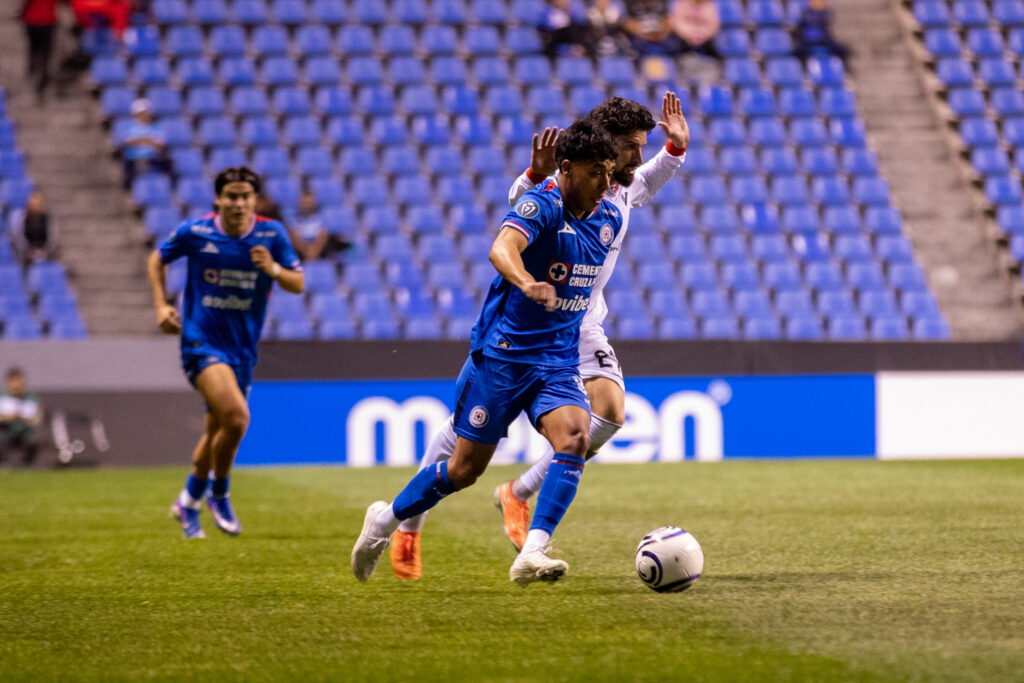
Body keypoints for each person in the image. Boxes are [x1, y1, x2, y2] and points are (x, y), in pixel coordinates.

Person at [390, 93, 690, 580]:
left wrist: (674, 151)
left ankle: (519, 492)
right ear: (603, 152)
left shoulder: (617, 189)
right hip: (530, 321)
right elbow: (520, 205)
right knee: (462, 440)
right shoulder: (569, 180)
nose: (638, 158)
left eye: (643, 147)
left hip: (580, 322)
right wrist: (533, 175)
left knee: (609, 415)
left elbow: (646, 183)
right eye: (632, 148)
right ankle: (409, 524)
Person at [352, 119, 622, 586]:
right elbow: (502, 249)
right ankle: (383, 522)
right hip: (503, 358)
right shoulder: (543, 205)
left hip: (556, 361)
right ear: (567, 168)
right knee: (462, 470)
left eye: (609, 171)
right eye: (596, 171)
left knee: (576, 438)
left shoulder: (609, 217)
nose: (606, 183)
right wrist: (527, 282)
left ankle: (533, 551)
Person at [148, 167, 305, 538]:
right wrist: (160, 306)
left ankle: (188, 502)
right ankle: (220, 493)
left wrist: (274, 269)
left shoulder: (271, 234)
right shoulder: (196, 232)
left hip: (242, 351)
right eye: (231, 196)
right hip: (200, 343)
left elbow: (297, 283)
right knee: (236, 418)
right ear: (218, 199)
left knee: (216, 431)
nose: (238, 203)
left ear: (255, 200)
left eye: (245, 196)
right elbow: (157, 259)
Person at [121, 99, 171, 191]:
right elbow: (129, 141)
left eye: (145, 112)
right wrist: (150, 140)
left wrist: (140, 140)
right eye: (140, 113)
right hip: (134, 159)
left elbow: (161, 143)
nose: (143, 115)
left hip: (153, 159)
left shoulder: (157, 127)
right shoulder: (129, 127)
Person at [288, 189, 350, 261]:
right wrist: (306, 251)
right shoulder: (293, 219)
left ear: (314, 203)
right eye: (305, 203)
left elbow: (323, 235)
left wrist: (314, 252)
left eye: (309, 203)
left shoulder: (322, 217)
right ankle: (309, 257)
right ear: (300, 203)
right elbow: (294, 237)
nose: (307, 206)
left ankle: (312, 257)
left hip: (321, 251)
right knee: (293, 235)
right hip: (301, 252)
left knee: (324, 235)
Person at [0, 367, 44, 465]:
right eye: (12, 381)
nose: (16, 385)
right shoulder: (2, 398)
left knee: (35, 436)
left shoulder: (31, 398)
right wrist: (7, 418)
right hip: (6, 431)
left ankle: (28, 465)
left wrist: (22, 417)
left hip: (26, 431)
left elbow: (37, 420)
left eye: (18, 381)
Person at [20, 0, 58, 103]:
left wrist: (21, 14)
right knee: (44, 52)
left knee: (34, 49)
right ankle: (41, 73)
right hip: (45, 21)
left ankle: (34, 71)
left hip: (34, 21)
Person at [793, 0, 850, 67]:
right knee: (798, 52)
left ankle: (845, 66)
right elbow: (807, 22)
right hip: (808, 41)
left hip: (824, 40)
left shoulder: (826, 12)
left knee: (843, 50)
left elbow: (825, 22)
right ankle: (802, 68)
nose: (817, 2)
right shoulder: (806, 12)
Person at [14, 190, 55, 265]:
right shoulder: (24, 218)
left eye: (36, 203)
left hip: (45, 251)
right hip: (27, 253)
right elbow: (20, 236)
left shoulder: (46, 218)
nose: (34, 206)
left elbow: (51, 235)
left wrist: (44, 250)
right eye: (32, 204)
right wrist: (28, 250)